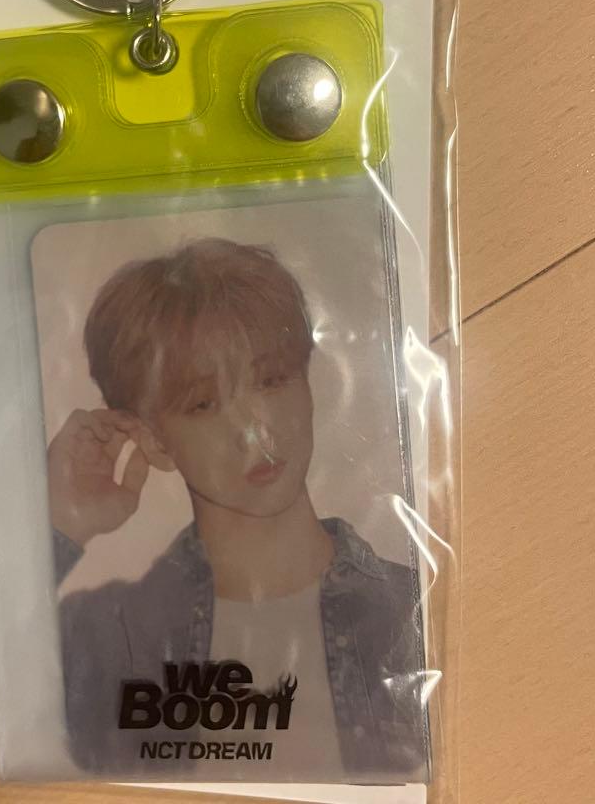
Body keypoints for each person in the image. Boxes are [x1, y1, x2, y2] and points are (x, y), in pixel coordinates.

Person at [47, 237, 428, 782]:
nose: (253, 429)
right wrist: (65, 526)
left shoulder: (416, 610)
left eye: (271, 380)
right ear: (152, 440)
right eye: (203, 403)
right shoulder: (101, 636)